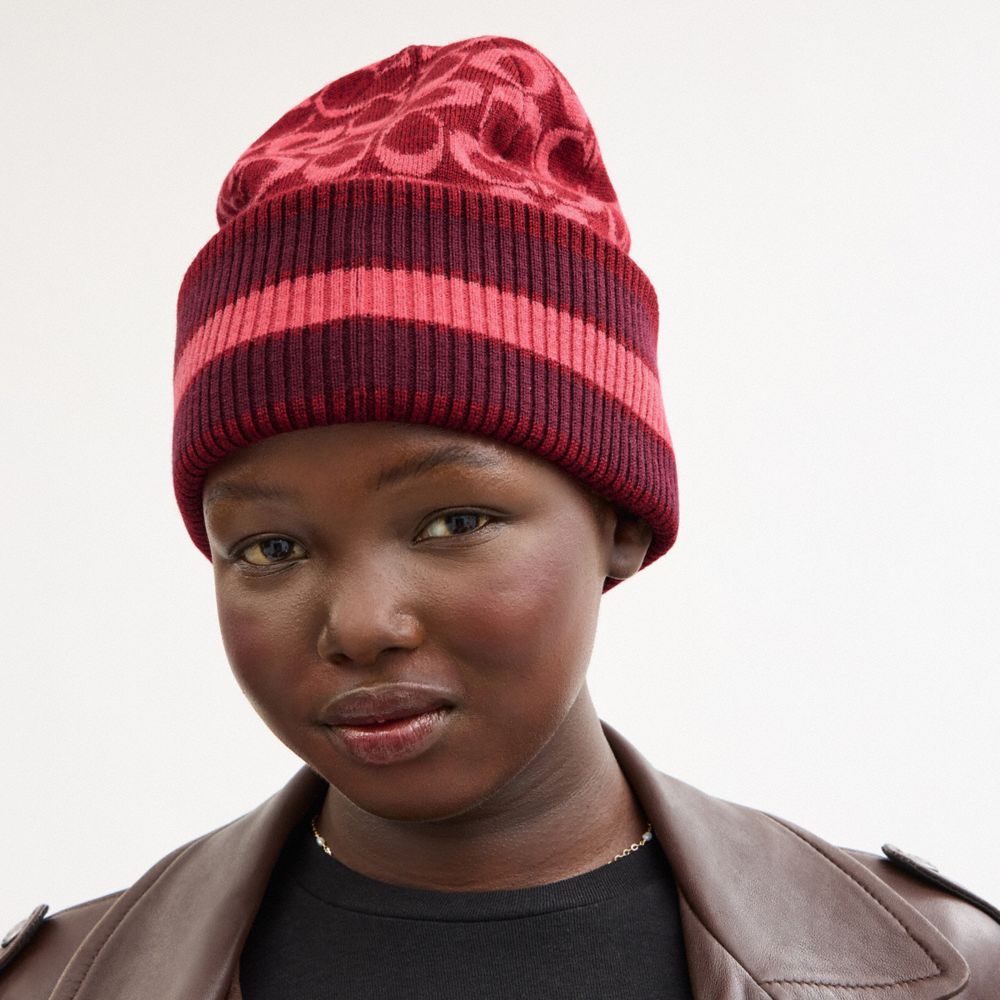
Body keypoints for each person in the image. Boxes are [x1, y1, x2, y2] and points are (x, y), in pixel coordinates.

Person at [2, 33, 997, 1000]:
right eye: (270, 546)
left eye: (452, 522)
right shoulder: (55, 986)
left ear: (620, 519)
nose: (361, 624)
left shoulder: (939, 976)